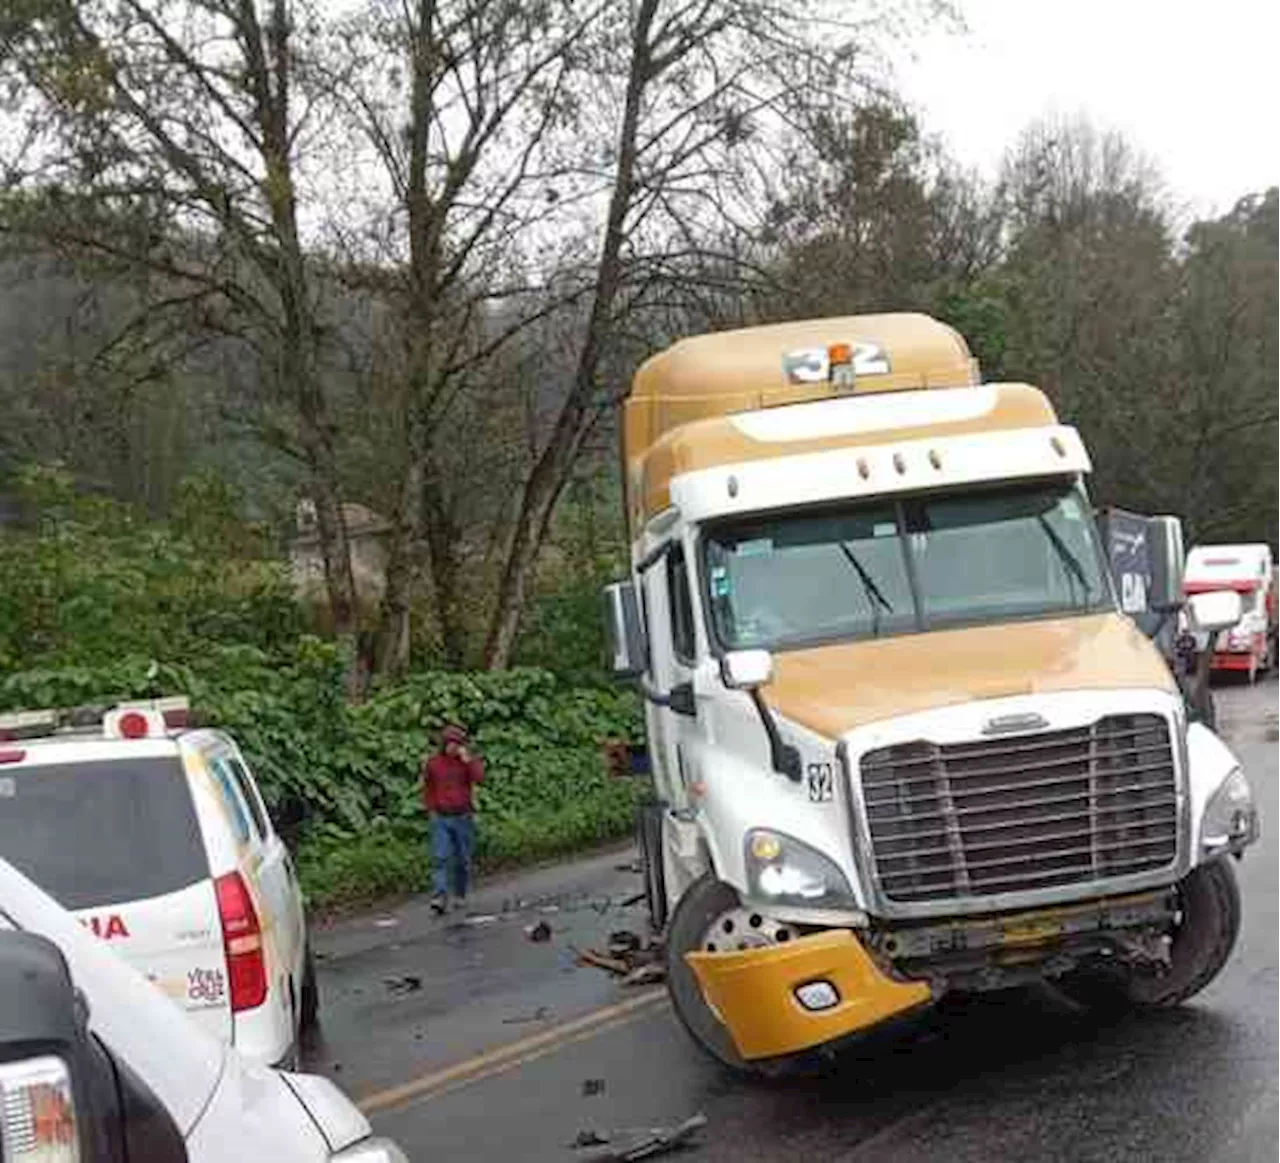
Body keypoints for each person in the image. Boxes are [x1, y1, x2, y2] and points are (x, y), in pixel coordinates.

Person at [422, 724, 485, 914]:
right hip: (441, 816)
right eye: (450, 744)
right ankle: (439, 897)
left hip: (463, 816)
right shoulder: (433, 763)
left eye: (457, 744)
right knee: (440, 857)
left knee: (462, 859)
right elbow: (428, 787)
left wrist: (469, 761)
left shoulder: (465, 762)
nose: (454, 748)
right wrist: (431, 809)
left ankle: (460, 893)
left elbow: (479, 778)